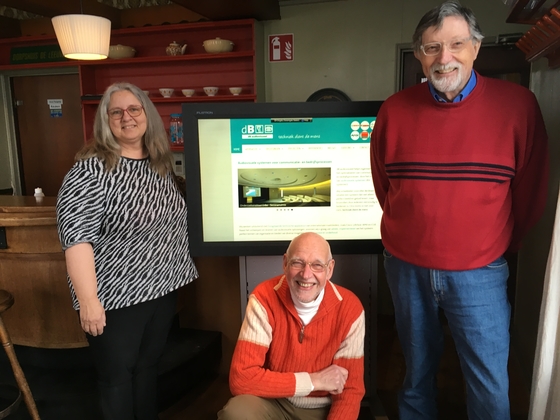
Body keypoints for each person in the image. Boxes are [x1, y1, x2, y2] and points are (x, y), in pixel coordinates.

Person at [370, 1, 549, 419]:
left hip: (480, 271)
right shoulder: (393, 111)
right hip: (406, 268)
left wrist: (499, 245)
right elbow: (386, 187)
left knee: (488, 383)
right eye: (432, 48)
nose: (444, 58)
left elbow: (530, 192)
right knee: (415, 375)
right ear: (418, 54)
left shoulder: (518, 107)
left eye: (456, 44)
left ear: (476, 48)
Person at [56, 82, 198, 420]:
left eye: (134, 109)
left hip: (161, 290)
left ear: (147, 114)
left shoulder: (159, 164)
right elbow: (76, 238)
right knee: (116, 379)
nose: (127, 117)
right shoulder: (90, 170)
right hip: (115, 299)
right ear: (105, 120)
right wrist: (88, 301)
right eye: (116, 111)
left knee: (148, 369)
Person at [218, 232, 365, 420]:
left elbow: (349, 391)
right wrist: (314, 380)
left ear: (330, 270)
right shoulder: (264, 298)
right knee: (237, 412)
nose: (306, 274)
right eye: (298, 262)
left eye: (317, 265)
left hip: (322, 409)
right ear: (285, 263)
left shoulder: (350, 308)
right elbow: (241, 379)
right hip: (274, 400)